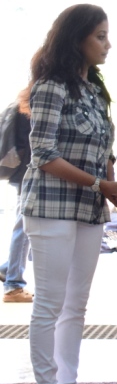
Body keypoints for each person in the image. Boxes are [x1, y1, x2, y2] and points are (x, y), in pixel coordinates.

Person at [19, 4, 117, 384]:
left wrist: (113, 187)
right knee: (49, 304)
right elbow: (43, 154)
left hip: (88, 209)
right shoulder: (51, 86)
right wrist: (99, 185)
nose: (108, 44)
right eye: (100, 36)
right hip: (51, 206)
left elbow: (103, 149)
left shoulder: (94, 91)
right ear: (76, 38)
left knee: (76, 306)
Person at [1, 91, 33, 302]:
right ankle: (13, 285)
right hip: (27, 174)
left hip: (20, 173)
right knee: (24, 226)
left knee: (24, 225)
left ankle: (8, 270)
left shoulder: (23, 101)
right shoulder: (30, 105)